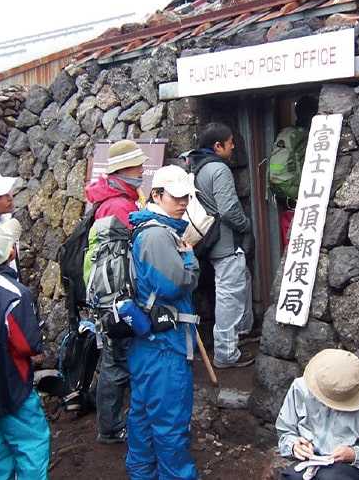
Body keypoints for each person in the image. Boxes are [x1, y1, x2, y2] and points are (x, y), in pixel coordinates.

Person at [125, 165, 201, 480]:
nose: (183, 202)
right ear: (157, 194)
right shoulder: (158, 234)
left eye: (186, 196)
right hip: (164, 346)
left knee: (142, 419)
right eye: (176, 196)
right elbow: (173, 285)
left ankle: (142, 475)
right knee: (169, 424)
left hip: (146, 343)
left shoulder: (148, 228)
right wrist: (190, 260)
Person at [0, 219, 50, 480]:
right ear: (10, 253)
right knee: (31, 446)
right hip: (11, 383)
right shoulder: (15, 294)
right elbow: (27, 345)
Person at [84, 139, 148, 445]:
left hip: (107, 295)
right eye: (138, 166)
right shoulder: (118, 206)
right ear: (124, 169)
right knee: (117, 361)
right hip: (117, 298)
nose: (142, 170)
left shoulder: (111, 197)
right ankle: (109, 427)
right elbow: (128, 252)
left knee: (113, 359)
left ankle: (109, 423)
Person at [186, 123, 255, 369]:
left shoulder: (197, 166)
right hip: (225, 244)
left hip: (209, 243)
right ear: (217, 146)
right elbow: (228, 210)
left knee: (237, 285)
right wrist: (246, 225)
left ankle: (239, 334)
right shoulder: (218, 169)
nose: (233, 145)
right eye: (230, 142)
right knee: (229, 296)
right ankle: (226, 354)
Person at [276, 349, 359, 480]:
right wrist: (294, 446)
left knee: (330, 477)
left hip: (348, 469)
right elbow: (285, 431)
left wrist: (354, 455)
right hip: (310, 461)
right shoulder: (301, 388)